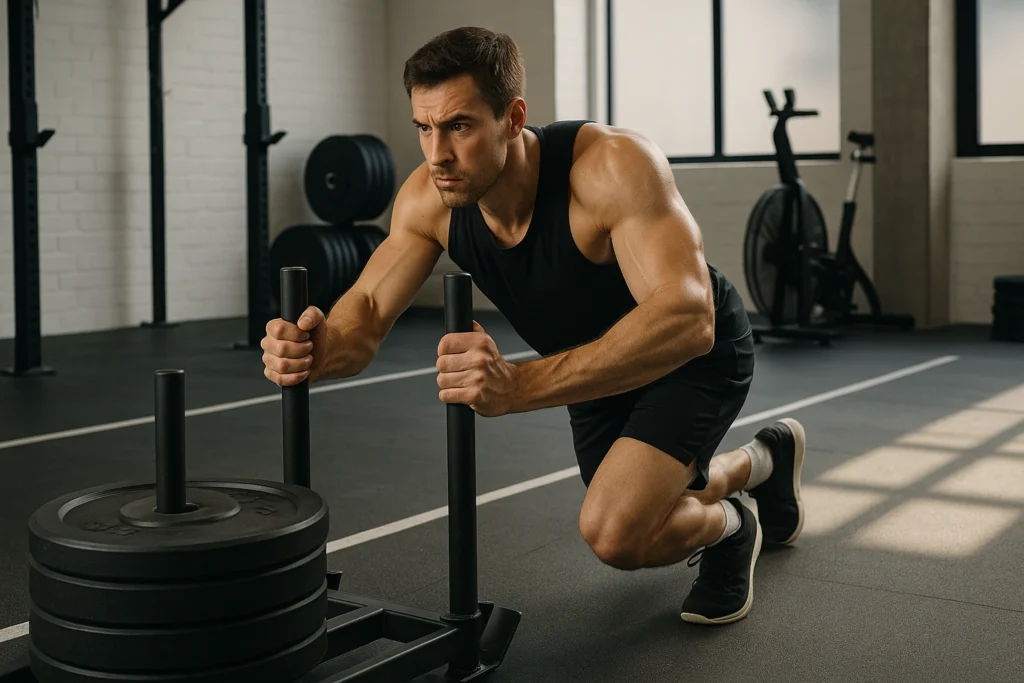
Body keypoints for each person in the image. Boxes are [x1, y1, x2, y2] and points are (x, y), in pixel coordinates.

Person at [262, 26, 806, 625]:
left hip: (692, 356)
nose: (437, 153)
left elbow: (686, 317)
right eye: (424, 127)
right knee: (648, 505)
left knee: (615, 533)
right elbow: (363, 312)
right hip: (597, 368)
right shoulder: (428, 199)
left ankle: (731, 528)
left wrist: (517, 386)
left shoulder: (608, 166)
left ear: (513, 116)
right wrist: (315, 348)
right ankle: (762, 465)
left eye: (460, 126)